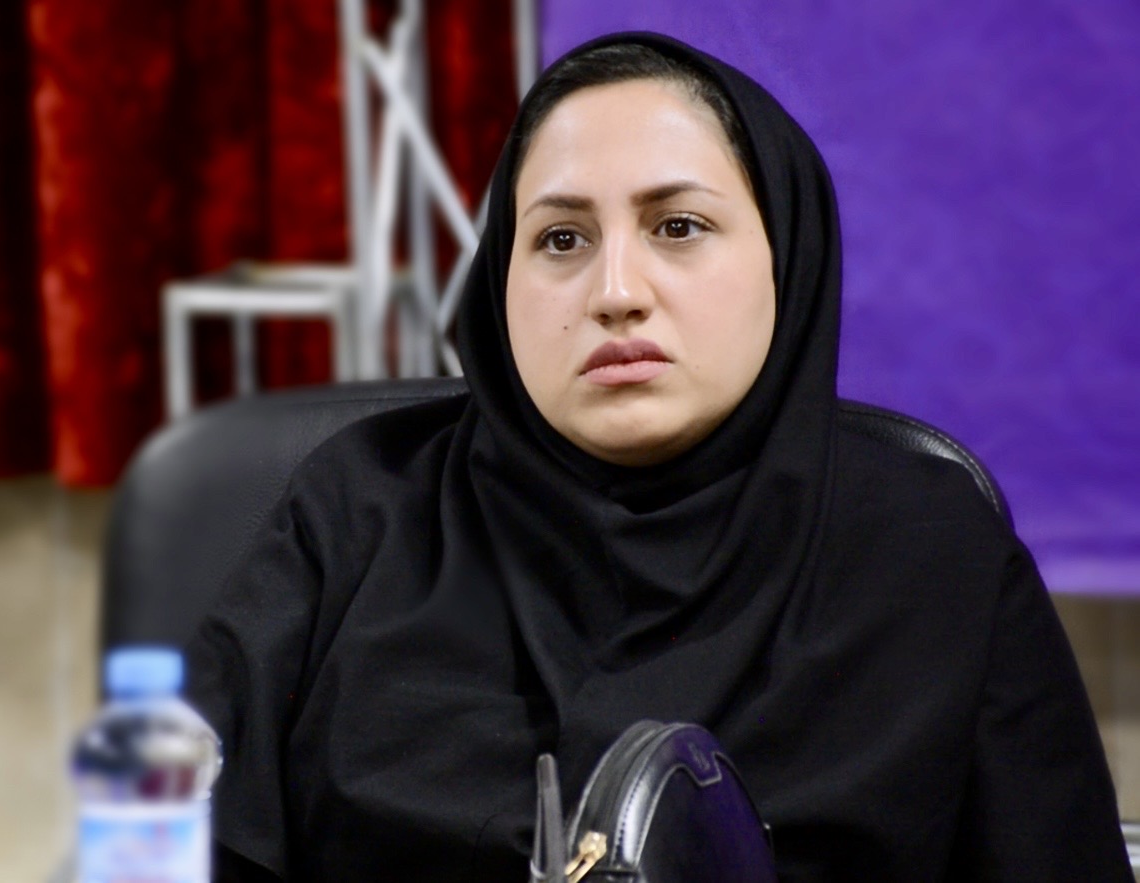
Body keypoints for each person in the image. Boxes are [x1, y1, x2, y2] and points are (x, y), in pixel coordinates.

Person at [185, 31, 1131, 882]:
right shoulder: (360, 506)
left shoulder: (933, 553)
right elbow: (160, 831)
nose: (615, 290)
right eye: (560, 238)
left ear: (785, 256)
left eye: (677, 226)